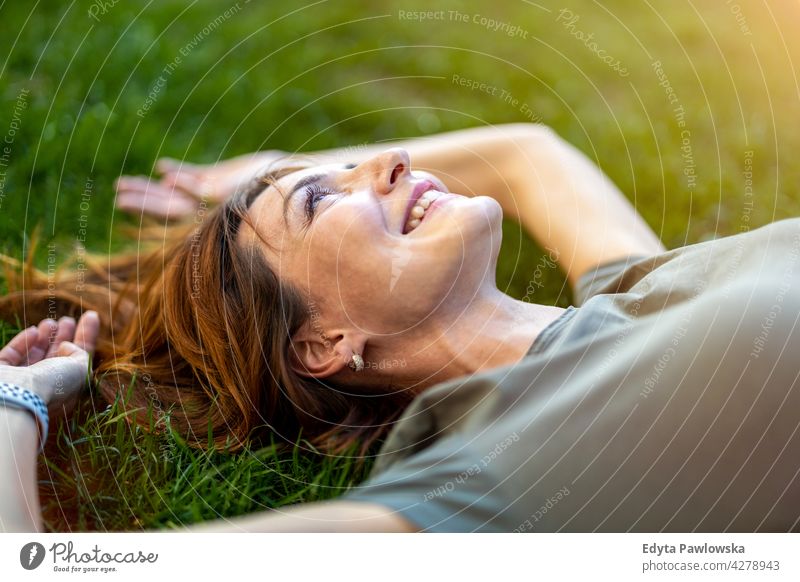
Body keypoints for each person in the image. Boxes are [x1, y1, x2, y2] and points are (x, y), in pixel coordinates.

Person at [1, 123, 799, 533]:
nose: (390, 158)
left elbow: (528, 158)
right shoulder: (499, 467)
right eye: (321, 202)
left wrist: (266, 173)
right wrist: (20, 401)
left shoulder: (635, 291)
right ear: (323, 345)